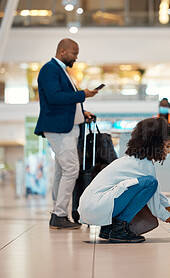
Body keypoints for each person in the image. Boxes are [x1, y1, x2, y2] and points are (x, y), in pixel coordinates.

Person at [78, 118, 170, 243]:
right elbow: (156, 206)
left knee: (150, 184)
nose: (168, 151)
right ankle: (119, 229)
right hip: (97, 207)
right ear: (155, 144)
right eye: (167, 146)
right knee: (150, 183)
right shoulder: (143, 166)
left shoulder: (134, 161)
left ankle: (108, 228)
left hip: (91, 208)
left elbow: (158, 195)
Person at [34, 38, 99, 230]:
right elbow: (54, 97)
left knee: (62, 171)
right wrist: (82, 94)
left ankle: (58, 212)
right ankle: (59, 214)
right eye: (74, 53)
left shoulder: (62, 70)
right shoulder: (50, 69)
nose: (76, 57)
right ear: (62, 51)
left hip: (66, 127)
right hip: (59, 128)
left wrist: (82, 111)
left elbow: (65, 100)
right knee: (71, 169)